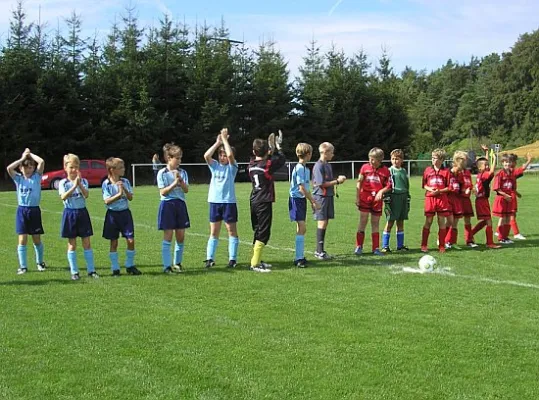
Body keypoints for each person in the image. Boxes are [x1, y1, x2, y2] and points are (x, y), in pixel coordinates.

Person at [248, 131, 286, 272]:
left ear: (253, 151)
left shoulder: (251, 164)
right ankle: (255, 264)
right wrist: (278, 147)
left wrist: (269, 151)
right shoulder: (267, 165)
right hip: (264, 201)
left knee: (258, 230)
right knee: (263, 233)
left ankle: (256, 259)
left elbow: (265, 160)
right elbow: (281, 160)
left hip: (254, 200)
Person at [6, 148, 47, 275]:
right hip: (22, 210)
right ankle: (23, 266)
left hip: (34, 210)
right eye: (25, 167)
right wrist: (23, 158)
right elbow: (9, 168)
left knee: (36, 239)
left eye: (30, 167)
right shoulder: (18, 179)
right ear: (21, 168)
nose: (28, 170)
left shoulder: (36, 177)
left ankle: (40, 262)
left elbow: (41, 162)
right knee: (22, 239)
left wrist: (30, 155)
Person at [203, 128, 239, 269]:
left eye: (224, 154)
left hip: (228, 203)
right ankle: (209, 258)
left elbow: (230, 156)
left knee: (231, 231)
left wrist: (225, 139)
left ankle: (232, 259)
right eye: (220, 155)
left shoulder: (232, 167)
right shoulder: (215, 166)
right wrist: (218, 143)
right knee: (214, 232)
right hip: (214, 202)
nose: (222, 157)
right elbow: (206, 156)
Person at [59, 153, 98, 280]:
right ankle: (74, 271)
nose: (74, 170)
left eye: (76, 167)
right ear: (65, 167)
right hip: (70, 213)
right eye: (71, 167)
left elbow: (86, 195)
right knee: (72, 244)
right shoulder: (63, 183)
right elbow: (63, 196)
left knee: (87, 243)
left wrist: (79, 184)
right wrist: (74, 186)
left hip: (82, 213)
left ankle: (91, 270)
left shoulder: (84, 181)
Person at [102, 157, 141, 276]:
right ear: (112, 170)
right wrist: (118, 194)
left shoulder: (125, 182)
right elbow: (107, 201)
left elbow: (130, 197)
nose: (123, 169)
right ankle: (115, 268)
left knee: (130, 240)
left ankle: (130, 265)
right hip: (112, 215)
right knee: (114, 242)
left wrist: (124, 189)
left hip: (125, 214)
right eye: (121, 168)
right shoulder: (106, 183)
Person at [157, 143, 190, 273]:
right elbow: (163, 192)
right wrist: (174, 183)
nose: (179, 161)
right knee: (168, 235)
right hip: (167, 205)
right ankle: (166, 266)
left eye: (180, 158)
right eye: (177, 158)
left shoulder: (183, 173)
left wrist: (181, 181)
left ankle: (177, 263)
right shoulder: (162, 173)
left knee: (181, 235)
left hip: (180, 204)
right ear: (169, 158)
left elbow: (186, 190)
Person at [312, 142, 346, 260]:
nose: (333, 154)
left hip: (328, 196)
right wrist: (337, 181)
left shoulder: (327, 165)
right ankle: (319, 251)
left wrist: (337, 180)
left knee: (325, 222)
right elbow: (321, 184)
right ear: (325, 152)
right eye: (331, 152)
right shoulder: (318, 166)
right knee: (321, 222)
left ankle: (320, 250)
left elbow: (328, 180)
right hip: (321, 197)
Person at [354, 147, 391, 256]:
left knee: (375, 222)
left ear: (380, 160)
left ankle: (375, 248)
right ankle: (359, 246)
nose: (370, 161)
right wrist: (357, 197)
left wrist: (381, 192)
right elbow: (359, 182)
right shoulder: (365, 167)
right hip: (365, 198)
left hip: (377, 200)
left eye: (373, 159)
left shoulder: (385, 171)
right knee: (363, 221)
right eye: (370, 158)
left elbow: (389, 186)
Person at [289, 142, 320, 268]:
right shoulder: (300, 168)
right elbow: (301, 188)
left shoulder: (304, 168)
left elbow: (305, 188)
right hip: (296, 200)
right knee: (302, 228)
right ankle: (298, 258)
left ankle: (300, 256)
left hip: (300, 200)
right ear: (308, 154)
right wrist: (313, 201)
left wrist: (310, 200)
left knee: (301, 228)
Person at [493, 152, 531, 244]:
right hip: (502, 199)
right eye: (505, 162)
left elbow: (522, 169)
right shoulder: (499, 174)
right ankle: (501, 238)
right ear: (502, 163)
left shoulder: (512, 173)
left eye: (509, 162)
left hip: (509, 199)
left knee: (506, 218)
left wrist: (516, 193)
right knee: (503, 218)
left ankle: (505, 237)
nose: (507, 164)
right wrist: (506, 195)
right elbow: (496, 189)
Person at [470, 145, 501, 249]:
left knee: (485, 221)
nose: (487, 166)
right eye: (485, 166)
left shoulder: (481, 173)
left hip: (482, 200)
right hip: (481, 200)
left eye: (488, 165)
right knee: (488, 221)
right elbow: (491, 172)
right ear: (480, 168)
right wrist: (495, 159)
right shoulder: (483, 175)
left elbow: (484, 162)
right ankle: (489, 243)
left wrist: (487, 152)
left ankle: (470, 235)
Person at [421, 148, 450, 253]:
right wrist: (430, 189)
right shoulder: (427, 170)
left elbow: (449, 187)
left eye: (435, 158)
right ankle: (424, 245)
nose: (433, 160)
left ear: (441, 160)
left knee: (441, 222)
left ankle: (441, 245)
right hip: (430, 198)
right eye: (432, 158)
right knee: (428, 221)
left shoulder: (446, 172)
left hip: (442, 199)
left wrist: (439, 191)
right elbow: (424, 185)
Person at [381, 149, 410, 253]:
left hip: (403, 198)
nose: (394, 161)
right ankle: (385, 246)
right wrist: (386, 198)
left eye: (397, 159)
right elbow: (387, 185)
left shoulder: (404, 171)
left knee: (400, 222)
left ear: (402, 160)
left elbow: (406, 185)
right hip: (393, 198)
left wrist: (407, 196)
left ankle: (400, 245)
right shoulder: (389, 171)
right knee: (390, 222)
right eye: (393, 159)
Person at [444, 151, 466, 249]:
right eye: (464, 161)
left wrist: (466, 190)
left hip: (457, 199)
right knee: (450, 220)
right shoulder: (448, 173)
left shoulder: (460, 174)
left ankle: (452, 242)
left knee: (455, 222)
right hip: (448, 199)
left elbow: (462, 187)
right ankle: (442, 240)